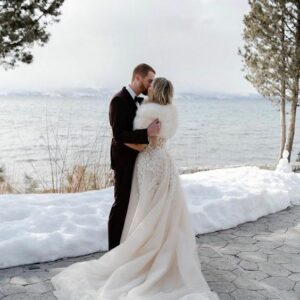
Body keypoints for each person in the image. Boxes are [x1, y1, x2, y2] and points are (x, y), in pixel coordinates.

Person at [51, 77, 219, 300]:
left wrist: (127, 141)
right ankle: (163, 253)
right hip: (165, 163)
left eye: (152, 85)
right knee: (165, 211)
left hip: (148, 163)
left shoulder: (148, 110)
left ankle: (139, 253)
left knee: (144, 208)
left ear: (155, 90)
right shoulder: (173, 112)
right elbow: (164, 137)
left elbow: (141, 143)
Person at [108, 63, 161, 250]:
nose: (150, 85)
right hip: (123, 162)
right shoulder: (119, 100)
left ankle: (126, 248)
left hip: (138, 161)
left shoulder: (139, 101)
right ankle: (112, 251)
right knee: (121, 206)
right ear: (137, 77)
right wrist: (148, 133)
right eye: (149, 81)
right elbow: (119, 134)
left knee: (133, 206)